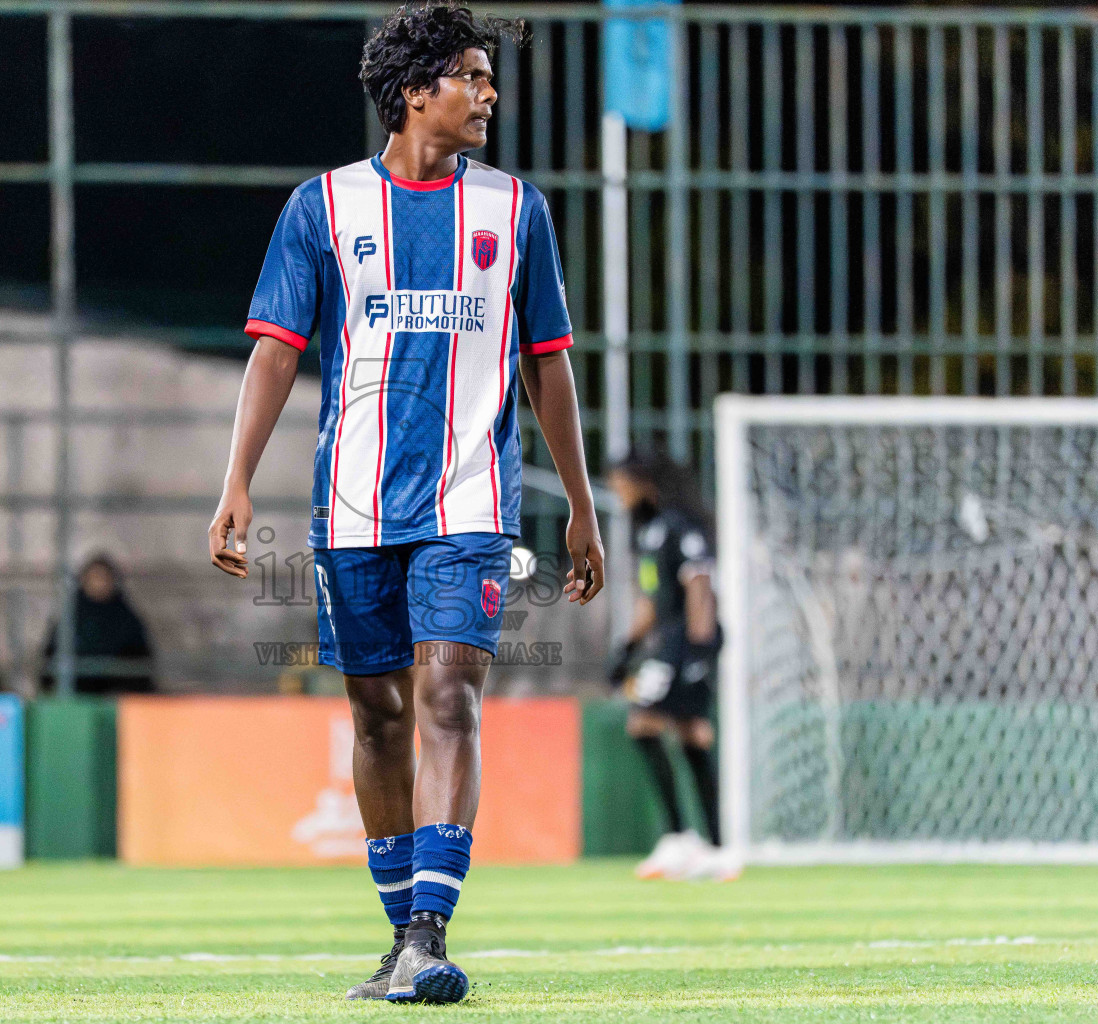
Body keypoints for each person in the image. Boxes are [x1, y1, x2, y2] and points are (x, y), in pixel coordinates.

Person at [208, 3, 603, 1005]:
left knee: (447, 696)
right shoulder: (323, 209)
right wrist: (236, 480)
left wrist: (583, 507)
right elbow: (275, 351)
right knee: (376, 713)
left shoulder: (517, 211)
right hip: (350, 510)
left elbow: (548, 367)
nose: (489, 95)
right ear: (414, 89)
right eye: (471, 76)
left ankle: (430, 929)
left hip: (471, 502)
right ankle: (401, 942)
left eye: (487, 76)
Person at [606, 452, 738, 882]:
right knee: (688, 731)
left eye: (621, 484)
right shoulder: (650, 533)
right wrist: (627, 646)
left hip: (687, 643)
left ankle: (700, 841)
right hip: (669, 643)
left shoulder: (680, 527)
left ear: (643, 483)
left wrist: (700, 651)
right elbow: (652, 599)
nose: (617, 493)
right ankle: (697, 843)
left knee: (650, 724)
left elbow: (699, 585)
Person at [40, 554, 156, 695]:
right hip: (79, 689)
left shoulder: (126, 617)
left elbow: (139, 658)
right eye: (94, 578)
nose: (99, 584)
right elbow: (50, 656)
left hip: (117, 690)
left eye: (104, 578)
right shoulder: (70, 616)